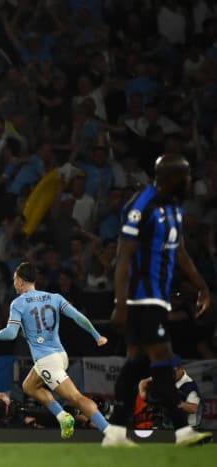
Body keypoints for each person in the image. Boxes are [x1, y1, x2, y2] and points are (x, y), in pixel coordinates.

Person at [111, 154, 213, 446]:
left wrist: (202, 287)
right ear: (171, 178)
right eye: (186, 175)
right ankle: (183, 431)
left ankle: (115, 432)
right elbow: (124, 257)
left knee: (136, 362)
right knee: (162, 359)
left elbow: (179, 253)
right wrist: (120, 304)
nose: (190, 180)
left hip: (158, 298)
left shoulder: (174, 208)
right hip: (141, 299)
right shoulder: (141, 206)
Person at [0, 262, 134, 446]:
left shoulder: (18, 303)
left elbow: (11, 333)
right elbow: (78, 316)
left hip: (47, 360)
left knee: (76, 398)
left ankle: (111, 433)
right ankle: (63, 417)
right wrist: (97, 336)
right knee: (29, 386)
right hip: (60, 355)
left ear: (21, 281)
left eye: (15, 279)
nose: (14, 283)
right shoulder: (54, 297)